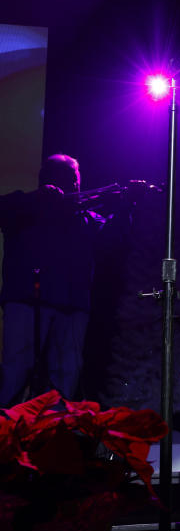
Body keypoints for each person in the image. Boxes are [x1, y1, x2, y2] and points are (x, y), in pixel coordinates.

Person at [0, 155, 120, 406]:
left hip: (73, 307)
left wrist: (126, 206)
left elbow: (112, 241)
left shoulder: (84, 217)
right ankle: (6, 434)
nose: (76, 185)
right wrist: (37, 197)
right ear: (49, 179)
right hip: (27, 301)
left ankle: (58, 433)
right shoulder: (24, 206)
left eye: (76, 180)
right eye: (70, 179)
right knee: (16, 370)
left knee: (66, 374)